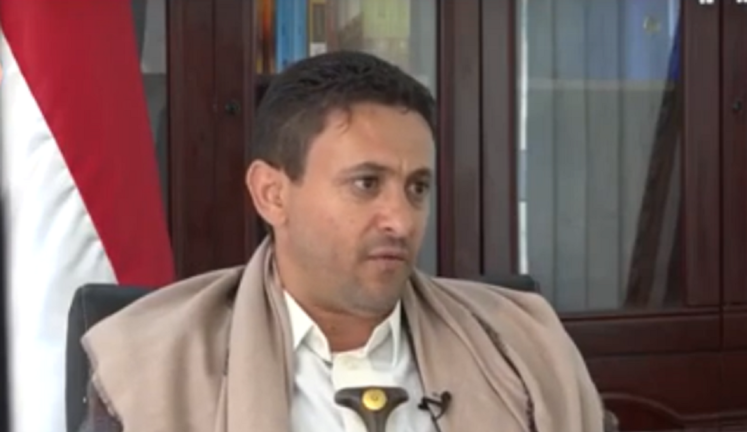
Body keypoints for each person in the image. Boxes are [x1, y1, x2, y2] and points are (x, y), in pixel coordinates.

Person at [79, 51, 615, 432]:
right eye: (366, 184)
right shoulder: (149, 371)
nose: (401, 221)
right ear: (271, 194)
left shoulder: (524, 348)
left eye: (417, 188)